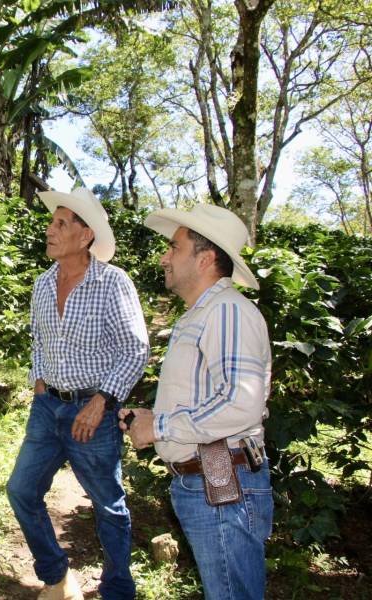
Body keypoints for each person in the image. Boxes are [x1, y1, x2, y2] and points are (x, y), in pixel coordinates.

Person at [119, 204, 273, 600]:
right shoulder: (203, 314)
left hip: (222, 483)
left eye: (174, 247)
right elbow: (209, 398)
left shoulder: (226, 311)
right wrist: (152, 417)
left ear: (205, 259)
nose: (163, 257)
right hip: (211, 482)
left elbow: (241, 404)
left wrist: (161, 426)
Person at [7, 188, 149, 600]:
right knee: (21, 490)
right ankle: (56, 575)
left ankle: (118, 588)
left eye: (61, 223)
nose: (49, 230)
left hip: (95, 411)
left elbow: (135, 348)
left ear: (86, 235)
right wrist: (39, 383)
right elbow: (38, 341)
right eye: (52, 222)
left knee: (108, 504)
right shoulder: (42, 284)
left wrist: (102, 400)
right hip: (47, 407)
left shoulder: (112, 282)